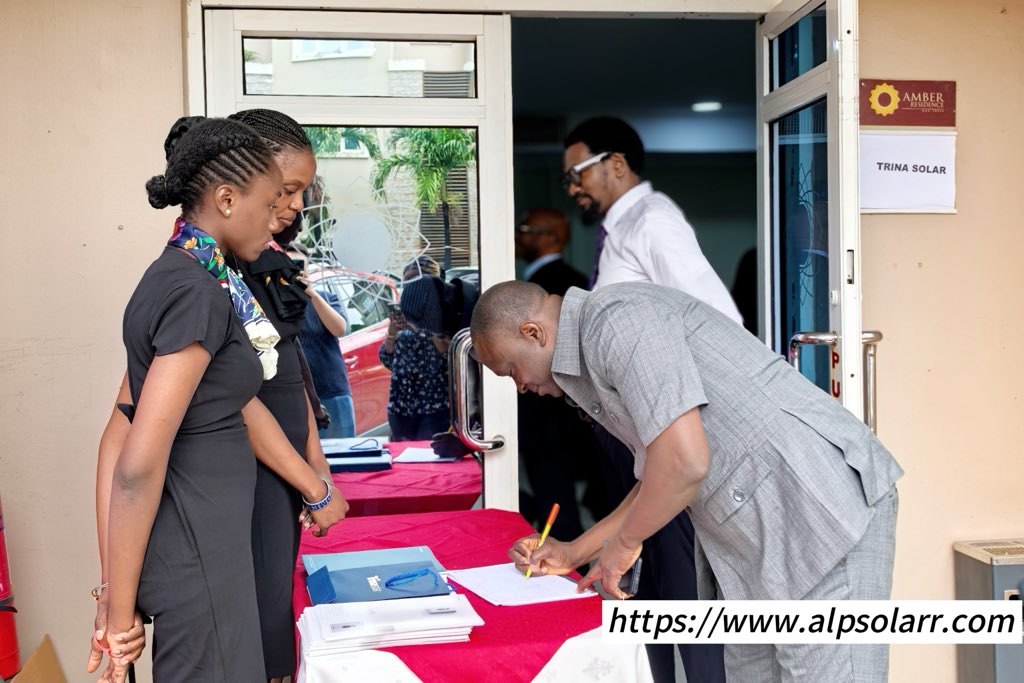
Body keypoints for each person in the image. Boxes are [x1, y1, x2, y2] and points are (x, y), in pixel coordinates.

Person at [470, 280, 903, 683]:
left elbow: (684, 462)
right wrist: (574, 551)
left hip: (817, 513)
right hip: (760, 542)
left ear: (533, 333)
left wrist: (624, 546)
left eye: (510, 371)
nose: (521, 387)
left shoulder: (616, 321)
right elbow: (660, 472)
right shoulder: (598, 343)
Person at [93, 117, 348, 683]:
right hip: (199, 552)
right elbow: (134, 464)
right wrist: (115, 608)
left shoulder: (192, 278)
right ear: (228, 199)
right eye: (272, 198)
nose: (283, 213)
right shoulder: (195, 292)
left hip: (211, 547)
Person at [563, 116, 738, 680]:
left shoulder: (653, 222)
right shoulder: (619, 230)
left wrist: (690, 424)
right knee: (648, 585)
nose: (572, 188)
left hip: (667, 431)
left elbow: (717, 321)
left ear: (616, 164)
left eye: (577, 174)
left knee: (680, 586)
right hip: (633, 431)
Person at [229, 108, 351, 683]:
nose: (297, 205)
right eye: (290, 189)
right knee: (256, 617)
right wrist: (312, 484)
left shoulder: (274, 264)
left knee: (279, 599)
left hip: (284, 471)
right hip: (245, 473)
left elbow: (287, 374)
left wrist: (317, 464)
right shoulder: (216, 271)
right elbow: (237, 397)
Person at [515, 207, 606, 540]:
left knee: (556, 501)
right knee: (551, 498)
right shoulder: (571, 280)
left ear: (551, 237)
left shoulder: (555, 288)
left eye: (524, 228)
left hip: (552, 418)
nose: (516, 235)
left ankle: (568, 565)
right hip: (554, 420)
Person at [290, 240, 356, 439]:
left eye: (299, 266)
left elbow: (339, 328)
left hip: (331, 390)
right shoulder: (274, 303)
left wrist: (311, 294)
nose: (294, 271)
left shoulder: (325, 297)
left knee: (343, 459)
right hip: (296, 396)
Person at [379, 261, 451, 441]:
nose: (409, 286)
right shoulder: (405, 307)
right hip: (401, 406)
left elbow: (447, 354)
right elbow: (389, 359)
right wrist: (392, 332)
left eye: (414, 280)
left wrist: (423, 319)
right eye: (406, 281)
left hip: (433, 406)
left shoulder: (445, 309)